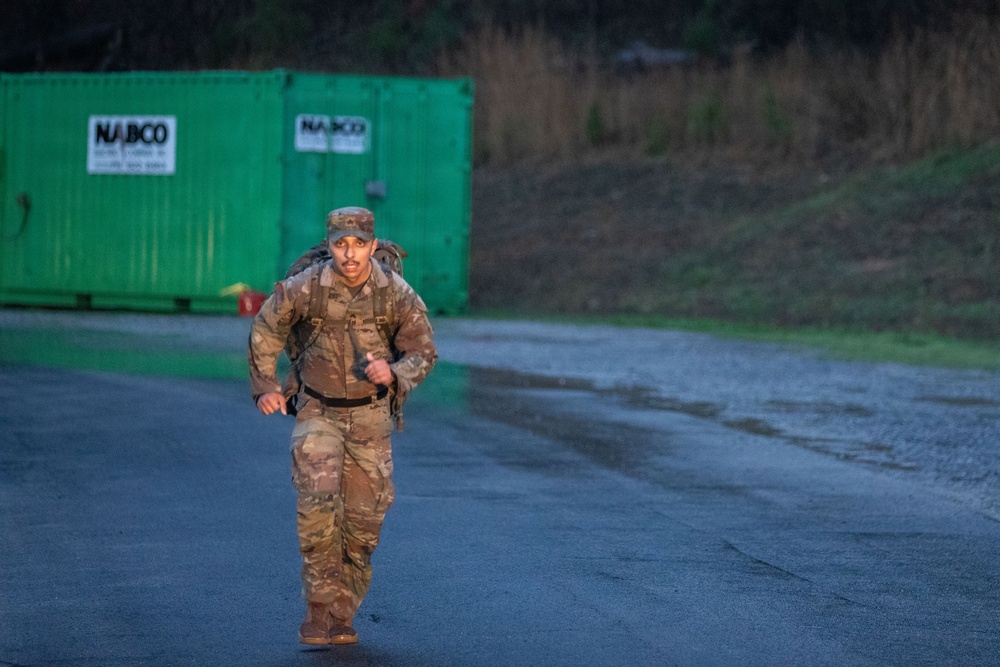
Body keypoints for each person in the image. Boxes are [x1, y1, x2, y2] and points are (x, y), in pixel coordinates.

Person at [247, 206, 437, 645]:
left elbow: (423, 351)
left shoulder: (396, 293)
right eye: (340, 244)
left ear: (373, 245)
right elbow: (265, 329)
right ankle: (317, 611)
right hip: (318, 413)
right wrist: (265, 387)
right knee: (317, 511)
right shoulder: (305, 287)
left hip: (371, 418)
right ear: (330, 245)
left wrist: (395, 373)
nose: (349, 254)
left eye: (358, 245)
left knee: (363, 527)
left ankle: (342, 612)